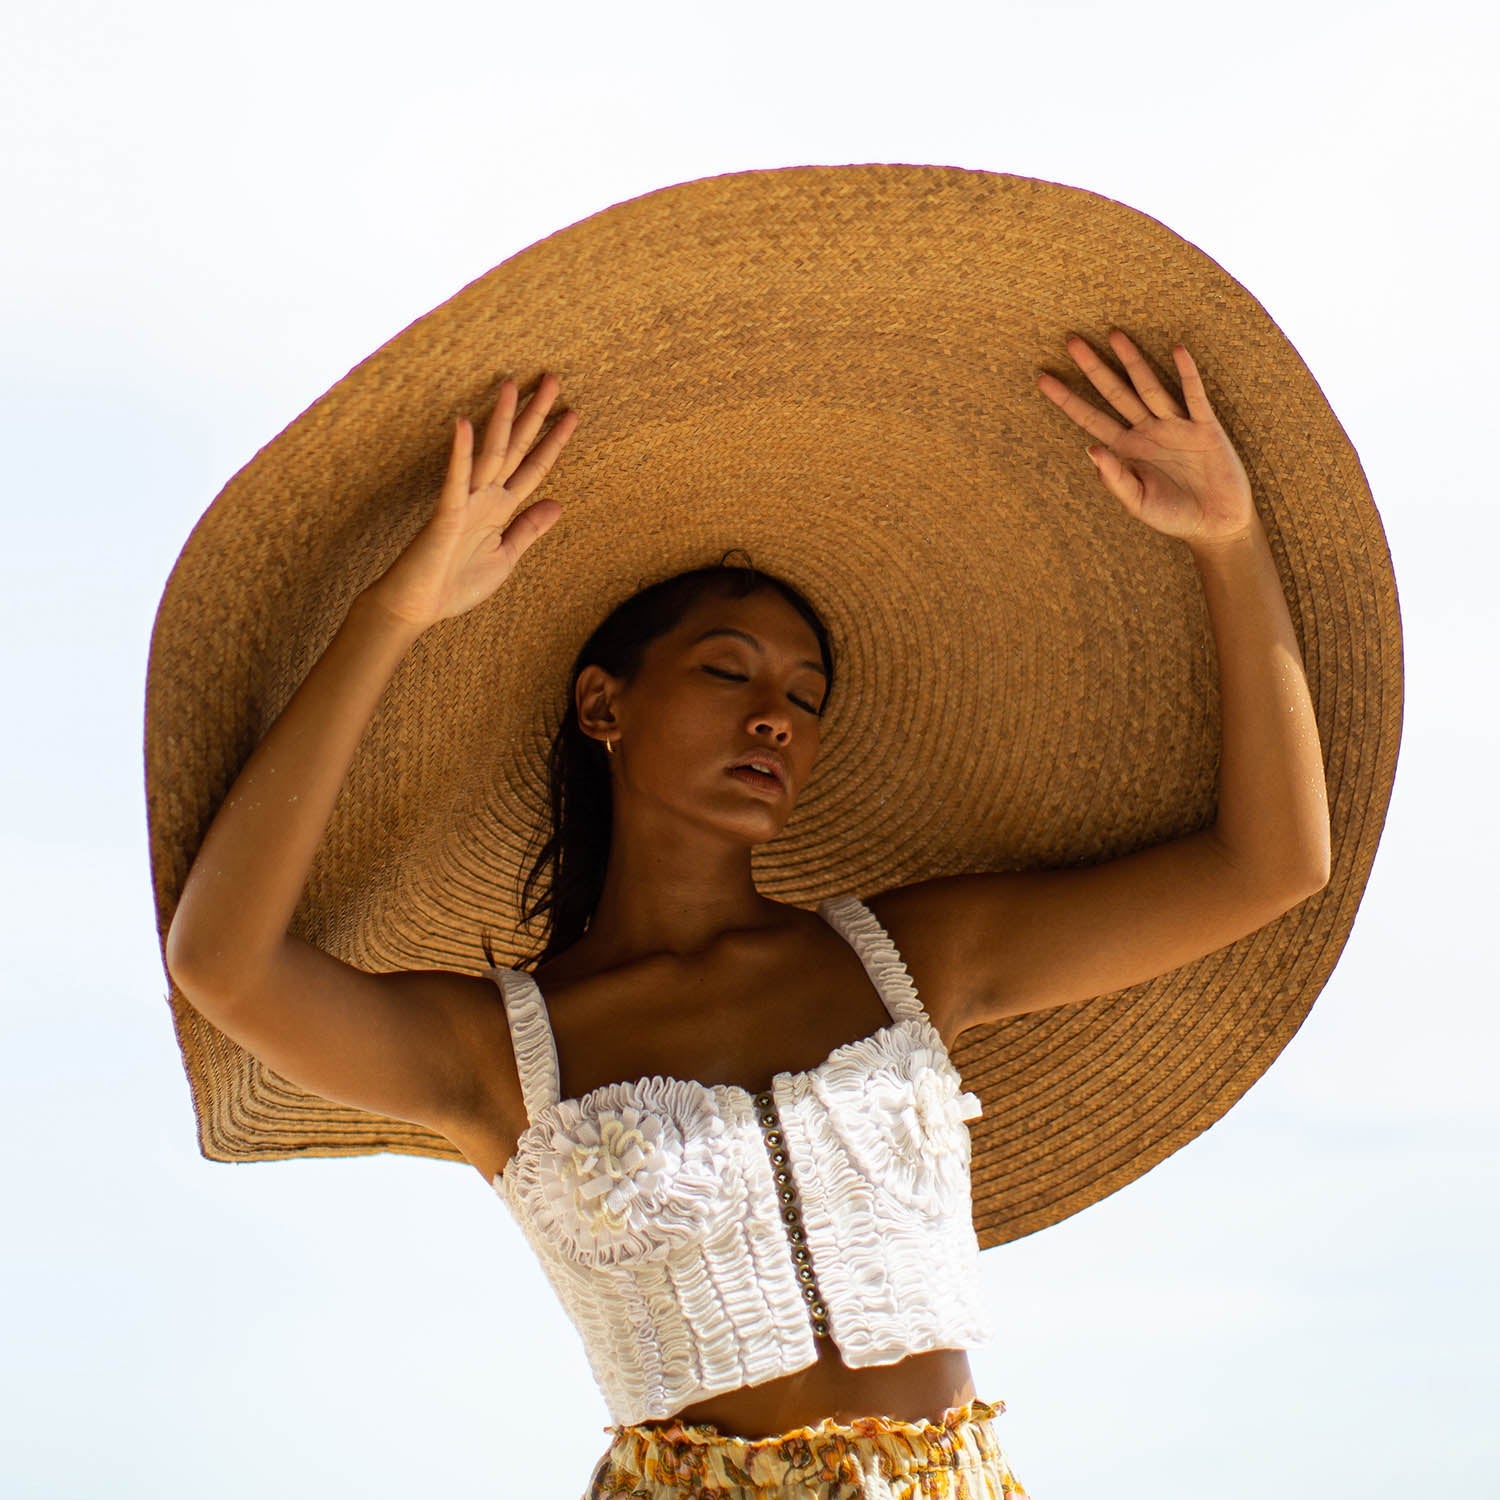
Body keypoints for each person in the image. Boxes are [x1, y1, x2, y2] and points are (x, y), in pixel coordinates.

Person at [166, 345, 1331, 1497]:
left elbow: (1268, 864)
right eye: (729, 673)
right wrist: (397, 611)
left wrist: (1228, 543)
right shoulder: (499, 1053)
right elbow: (223, 963)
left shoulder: (911, 960)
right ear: (603, 703)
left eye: (806, 695)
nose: (777, 717)